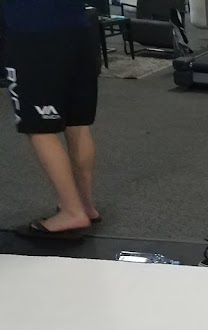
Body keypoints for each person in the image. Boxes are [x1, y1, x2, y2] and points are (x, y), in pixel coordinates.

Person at [4, 0, 100, 240]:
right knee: (76, 123)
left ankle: (71, 211)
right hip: (79, 28)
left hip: (34, 33)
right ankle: (85, 205)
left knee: (38, 127)